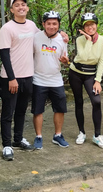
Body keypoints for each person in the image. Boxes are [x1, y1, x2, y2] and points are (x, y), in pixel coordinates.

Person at [0, 0, 40, 161]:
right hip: (10, 78)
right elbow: (4, 54)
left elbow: (44, 38)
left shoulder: (32, 26)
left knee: (22, 111)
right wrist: (11, 78)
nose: (21, 7)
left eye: (23, 5)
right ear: (12, 10)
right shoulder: (7, 29)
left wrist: (62, 35)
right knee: (8, 112)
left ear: (27, 8)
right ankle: (7, 145)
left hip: (27, 76)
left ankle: (18, 139)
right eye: (17, 5)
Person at [69, 13, 103, 148]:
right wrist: (89, 41)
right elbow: (84, 57)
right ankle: (82, 132)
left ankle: (97, 135)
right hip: (76, 73)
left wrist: (98, 80)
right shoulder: (80, 40)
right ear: (83, 27)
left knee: (96, 101)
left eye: (92, 24)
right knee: (78, 101)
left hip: (91, 75)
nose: (90, 27)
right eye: (87, 25)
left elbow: (102, 61)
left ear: (96, 25)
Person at [32, 11, 70, 149]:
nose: (51, 26)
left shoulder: (62, 39)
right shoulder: (36, 37)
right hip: (38, 79)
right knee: (38, 110)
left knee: (60, 109)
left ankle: (58, 135)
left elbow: (65, 60)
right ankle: (38, 136)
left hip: (56, 79)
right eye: (49, 23)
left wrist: (66, 61)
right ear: (43, 24)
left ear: (59, 25)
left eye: (55, 23)